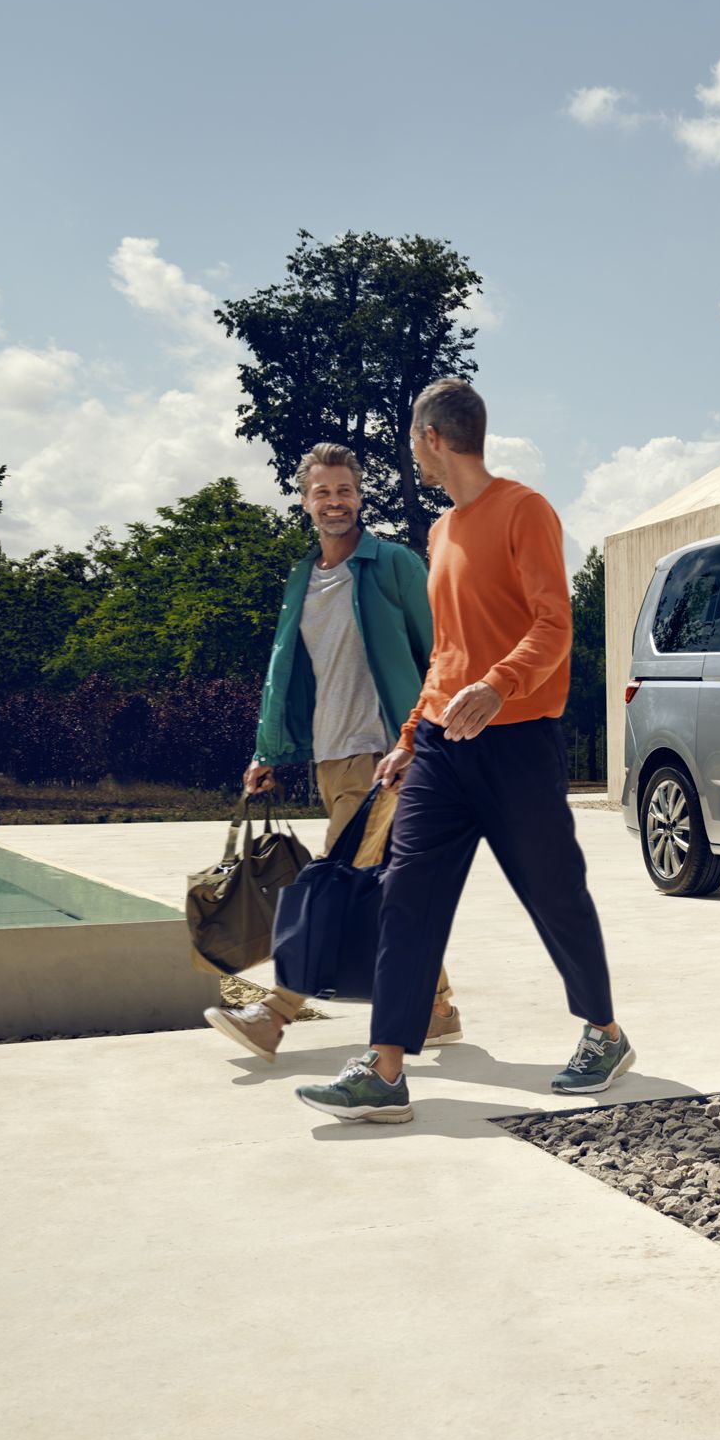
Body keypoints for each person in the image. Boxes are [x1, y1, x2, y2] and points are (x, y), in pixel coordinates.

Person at [295, 381, 631, 1124]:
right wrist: (414, 734)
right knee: (406, 892)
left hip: (517, 745)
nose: (411, 451)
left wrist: (498, 685)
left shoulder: (524, 510)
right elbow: (446, 651)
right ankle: (384, 1069)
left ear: (429, 439)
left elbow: (553, 625)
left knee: (552, 891)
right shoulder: (441, 533)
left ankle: (603, 1032)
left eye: (412, 439)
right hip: (445, 748)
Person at [204, 442, 461, 1062]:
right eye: (322, 492)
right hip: (330, 755)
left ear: (359, 497)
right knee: (387, 888)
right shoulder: (302, 577)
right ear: (305, 501)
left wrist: (423, 736)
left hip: (385, 755)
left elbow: (442, 648)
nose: (335, 501)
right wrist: (268, 749)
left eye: (345, 490)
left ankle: (275, 1013)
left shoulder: (393, 564)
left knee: (332, 884)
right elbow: (283, 670)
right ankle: (438, 1008)